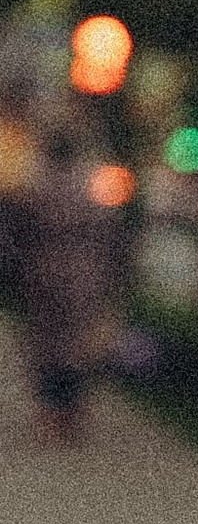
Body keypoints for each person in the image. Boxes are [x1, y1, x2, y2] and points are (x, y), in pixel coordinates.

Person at [10, 121, 123, 444]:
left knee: (45, 341)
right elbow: (110, 233)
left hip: (42, 270)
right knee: (78, 342)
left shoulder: (34, 187)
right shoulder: (94, 188)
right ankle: (71, 409)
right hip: (86, 272)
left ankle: (50, 411)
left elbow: (16, 231)